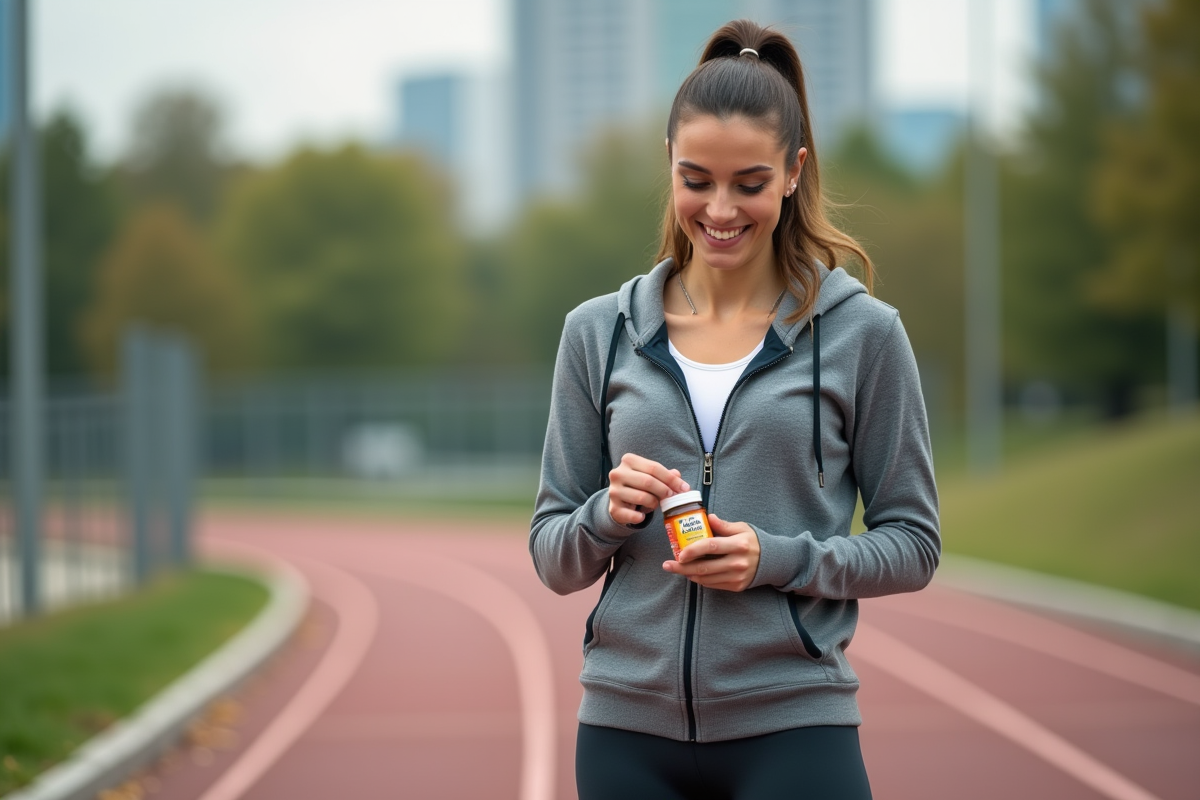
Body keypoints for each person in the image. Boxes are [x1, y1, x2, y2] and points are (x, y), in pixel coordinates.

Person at [530, 19, 940, 800]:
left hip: (795, 726)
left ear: (793, 172)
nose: (720, 210)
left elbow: (914, 545)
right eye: (697, 180)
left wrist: (775, 559)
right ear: (669, 164)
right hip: (624, 734)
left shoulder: (863, 335)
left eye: (749, 184)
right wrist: (605, 514)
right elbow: (553, 557)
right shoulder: (597, 333)